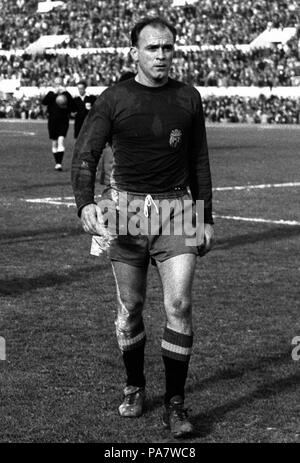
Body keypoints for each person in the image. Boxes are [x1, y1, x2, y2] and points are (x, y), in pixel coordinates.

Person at [71, 17, 214, 438]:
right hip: (125, 209)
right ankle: (134, 387)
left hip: (177, 207)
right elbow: (86, 154)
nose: (162, 55)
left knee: (180, 305)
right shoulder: (114, 98)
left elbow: (200, 161)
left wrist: (206, 218)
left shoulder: (188, 97)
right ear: (134, 52)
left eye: (168, 47)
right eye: (153, 48)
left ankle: (175, 403)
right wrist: (85, 206)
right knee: (131, 308)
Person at [42, 77, 73, 171]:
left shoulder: (66, 94)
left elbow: (72, 105)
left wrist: (66, 93)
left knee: (61, 140)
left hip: (63, 120)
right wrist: (54, 93)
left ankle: (59, 163)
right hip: (52, 121)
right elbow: (44, 102)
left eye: (59, 83)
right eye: (56, 83)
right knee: (54, 143)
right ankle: (57, 163)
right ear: (53, 84)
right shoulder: (51, 93)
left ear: (62, 84)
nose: (58, 85)